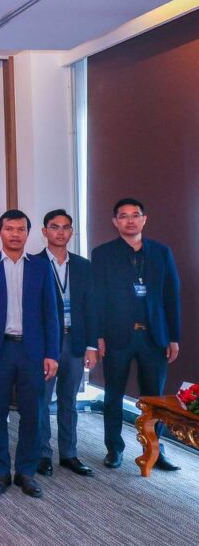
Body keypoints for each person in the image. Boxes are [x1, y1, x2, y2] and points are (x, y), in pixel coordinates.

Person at [0, 210, 59, 498]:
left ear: (28, 233)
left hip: (32, 351)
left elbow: (51, 313)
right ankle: (0, 472)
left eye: (21, 229)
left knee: (32, 413)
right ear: (0, 232)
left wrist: (52, 353)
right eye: (9, 228)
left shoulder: (41, 267)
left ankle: (26, 472)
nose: (15, 234)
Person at [89, 198, 181, 471]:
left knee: (154, 399)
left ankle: (155, 451)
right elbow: (97, 298)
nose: (130, 220)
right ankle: (114, 449)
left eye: (135, 215)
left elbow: (171, 296)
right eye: (123, 216)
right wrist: (98, 336)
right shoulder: (103, 253)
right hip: (117, 335)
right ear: (115, 222)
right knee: (113, 395)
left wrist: (173, 337)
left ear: (144, 219)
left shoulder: (161, 252)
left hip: (154, 336)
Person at [36, 209, 94, 477]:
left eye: (66, 227)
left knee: (69, 401)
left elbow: (93, 307)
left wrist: (91, 345)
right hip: (45, 344)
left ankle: (69, 454)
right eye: (54, 227)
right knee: (41, 400)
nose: (60, 232)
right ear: (44, 231)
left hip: (75, 341)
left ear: (72, 232)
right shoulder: (33, 264)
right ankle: (42, 454)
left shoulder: (83, 266)